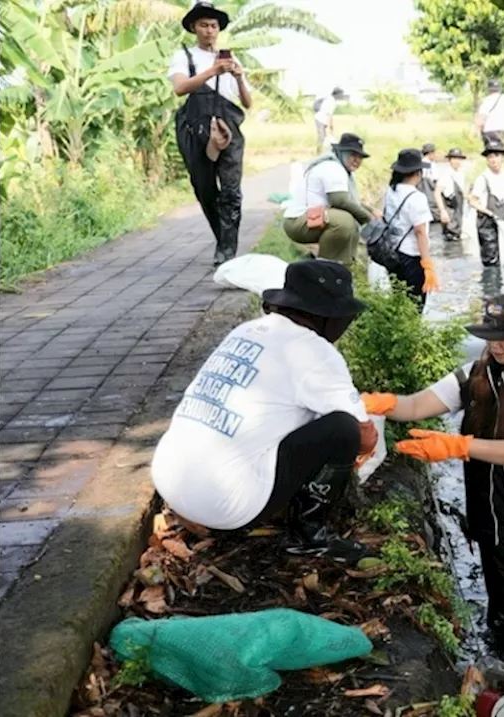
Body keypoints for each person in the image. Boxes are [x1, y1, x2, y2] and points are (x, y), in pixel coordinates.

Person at [362, 294, 504, 667]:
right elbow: (418, 406)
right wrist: (383, 403)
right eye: (490, 335)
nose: (495, 345)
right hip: (496, 529)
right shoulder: (476, 375)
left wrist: (458, 445)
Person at [151, 260, 374, 562]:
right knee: (343, 428)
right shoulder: (315, 352)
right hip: (226, 504)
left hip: (171, 479)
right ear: (328, 317)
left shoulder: (247, 330)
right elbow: (363, 438)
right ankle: (309, 537)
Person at [169, 1, 252, 267]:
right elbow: (180, 88)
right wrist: (212, 71)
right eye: (203, 25)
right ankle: (222, 240)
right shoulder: (184, 56)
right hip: (197, 129)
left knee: (231, 191)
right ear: (194, 27)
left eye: (214, 25)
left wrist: (237, 75)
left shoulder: (231, 58)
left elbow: (247, 102)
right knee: (205, 190)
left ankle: (227, 250)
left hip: (229, 128)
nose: (209, 30)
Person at [282, 133, 379, 264]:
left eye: (360, 157)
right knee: (344, 221)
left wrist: (372, 210)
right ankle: (325, 266)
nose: (357, 160)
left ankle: (345, 265)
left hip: (314, 217)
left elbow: (350, 200)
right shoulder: (333, 168)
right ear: (341, 152)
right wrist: (368, 220)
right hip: (297, 221)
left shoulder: (341, 169)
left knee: (348, 220)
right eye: (353, 155)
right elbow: (340, 200)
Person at [381, 149, 440, 306]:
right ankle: (413, 330)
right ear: (418, 173)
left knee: (399, 298)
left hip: (393, 254)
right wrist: (427, 264)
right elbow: (420, 232)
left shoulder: (391, 192)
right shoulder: (417, 197)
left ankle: (399, 329)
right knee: (416, 303)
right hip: (412, 256)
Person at [470, 139, 504, 267]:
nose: (493, 160)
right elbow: (472, 200)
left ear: (502, 157)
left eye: (496, 156)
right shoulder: (483, 178)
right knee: (491, 259)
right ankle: (490, 284)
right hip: (487, 223)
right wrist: (488, 213)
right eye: (490, 157)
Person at [474, 79, 504, 145]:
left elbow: (481, 118)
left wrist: (476, 130)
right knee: (503, 152)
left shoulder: (486, 100)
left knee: (491, 152)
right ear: (499, 89)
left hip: (490, 132)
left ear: (489, 89)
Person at [419, 142, 451, 239]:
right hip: (430, 191)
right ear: (430, 153)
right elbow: (435, 180)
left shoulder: (420, 164)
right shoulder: (430, 165)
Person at [437, 148, 468, 243]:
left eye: (458, 158)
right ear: (449, 160)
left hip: (458, 212)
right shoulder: (445, 175)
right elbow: (437, 192)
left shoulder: (461, 173)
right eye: (454, 158)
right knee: (450, 241)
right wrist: (442, 211)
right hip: (450, 209)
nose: (456, 161)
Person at [314, 87, 345, 153]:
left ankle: (321, 152)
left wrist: (330, 126)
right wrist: (329, 127)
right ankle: (318, 152)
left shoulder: (330, 99)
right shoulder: (332, 102)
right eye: (341, 94)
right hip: (320, 119)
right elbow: (329, 116)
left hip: (321, 119)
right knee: (322, 137)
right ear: (337, 94)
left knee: (323, 137)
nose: (342, 96)